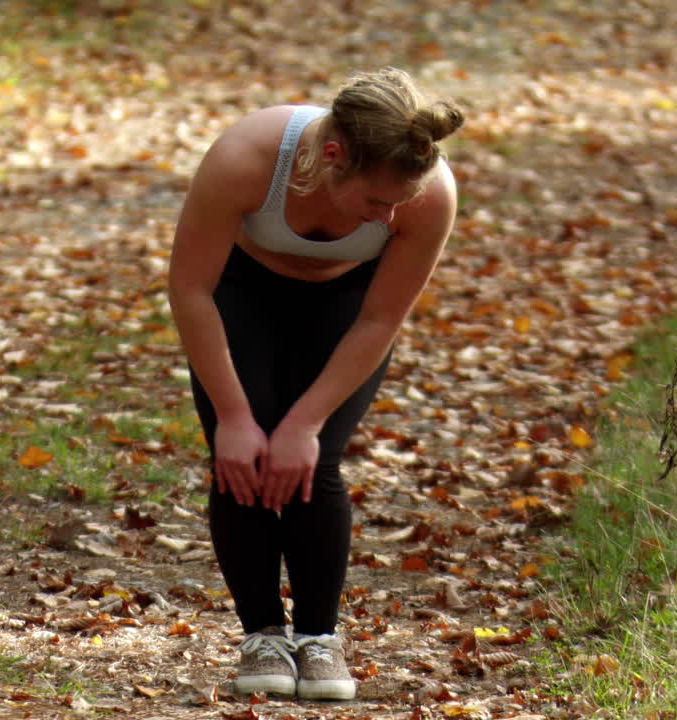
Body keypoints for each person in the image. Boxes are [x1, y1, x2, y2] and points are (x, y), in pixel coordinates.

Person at [167, 67, 463, 701]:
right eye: (377, 203)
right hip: (240, 293)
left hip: (346, 307)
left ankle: (319, 638)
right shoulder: (246, 158)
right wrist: (235, 417)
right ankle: (263, 634)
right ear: (333, 157)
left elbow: (382, 317)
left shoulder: (427, 192)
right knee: (242, 457)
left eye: (397, 205)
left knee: (312, 462)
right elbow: (190, 290)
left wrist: (304, 424)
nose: (389, 216)